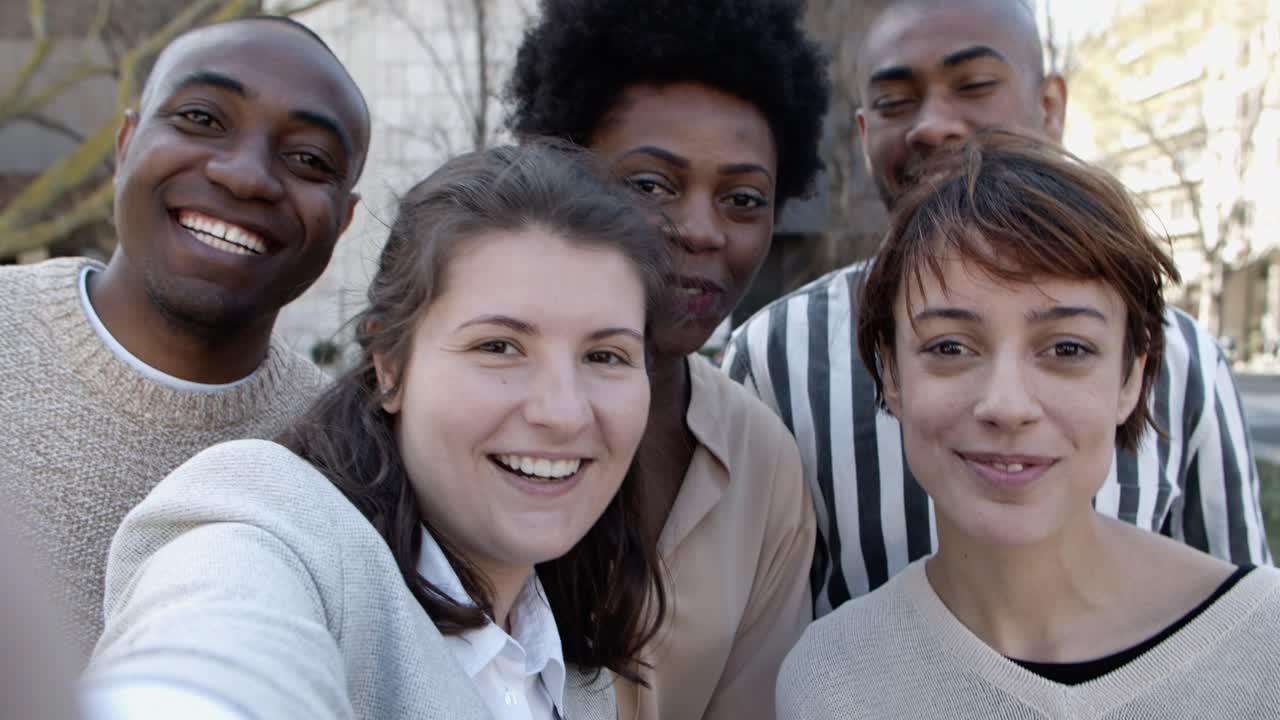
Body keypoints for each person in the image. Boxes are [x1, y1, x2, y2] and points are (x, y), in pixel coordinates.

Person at [723, 0, 1271, 618]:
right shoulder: (772, 355)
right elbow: (750, 627)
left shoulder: (1183, 356)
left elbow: (1235, 622)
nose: (931, 125)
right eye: (894, 101)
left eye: (975, 85)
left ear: (1050, 107)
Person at [85, 143, 668, 720]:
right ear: (390, 363)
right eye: (499, 347)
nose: (564, 413)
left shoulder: (573, 673)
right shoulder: (280, 538)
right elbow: (214, 653)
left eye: (606, 356)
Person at [777, 131, 1280, 719]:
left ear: (1131, 376)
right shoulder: (830, 681)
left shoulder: (1263, 647)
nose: (1007, 405)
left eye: (1066, 349)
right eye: (950, 347)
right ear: (890, 371)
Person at [0, 15, 370, 655]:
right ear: (125, 143)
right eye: (202, 119)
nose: (246, 176)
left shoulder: (347, 461)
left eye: (308, 159)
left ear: (343, 224)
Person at [506, 1, 829, 717]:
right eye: (651, 184)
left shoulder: (762, 462)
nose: (700, 230)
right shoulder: (462, 412)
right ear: (560, 166)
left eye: (744, 199)